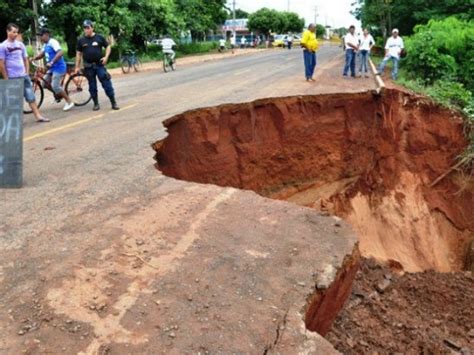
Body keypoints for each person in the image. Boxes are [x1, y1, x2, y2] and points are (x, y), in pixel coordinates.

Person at [0, 23, 49, 122]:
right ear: (7, 31)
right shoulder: (3, 46)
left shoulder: (20, 45)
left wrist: (26, 72)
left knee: (31, 96)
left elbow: (25, 59)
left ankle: (38, 116)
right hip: (12, 77)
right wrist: (6, 78)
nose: (15, 34)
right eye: (13, 32)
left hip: (23, 76)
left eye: (16, 32)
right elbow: (1, 63)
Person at [75, 20, 119, 111]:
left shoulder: (99, 37)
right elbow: (78, 54)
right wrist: (77, 67)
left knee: (107, 83)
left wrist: (106, 57)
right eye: (85, 28)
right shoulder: (81, 40)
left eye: (88, 28)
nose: (86, 30)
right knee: (92, 86)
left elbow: (108, 46)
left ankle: (113, 102)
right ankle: (96, 104)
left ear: (92, 28)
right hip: (89, 67)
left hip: (99, 65)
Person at [33, 28, 74, 111]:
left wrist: (51, 62)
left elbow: (60, 52)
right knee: (44, 84)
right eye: (40, 36)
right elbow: (42, 54)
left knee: (55, 85)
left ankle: (69, 101)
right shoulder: (46, 45)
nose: (40, 37)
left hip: (59, 67)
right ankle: (58, 94)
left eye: (41, 35)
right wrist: (34, 58)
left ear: (47, 35)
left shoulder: (53, 42)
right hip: (52, 69)